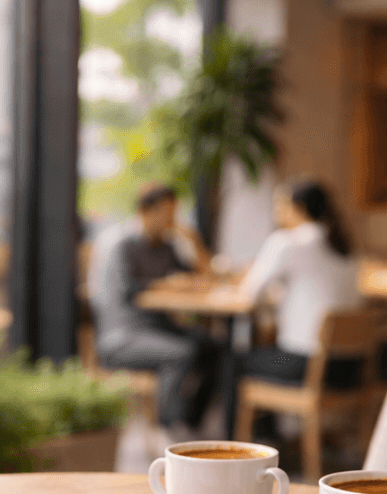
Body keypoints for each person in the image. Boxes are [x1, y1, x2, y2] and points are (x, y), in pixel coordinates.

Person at [92, 184, 223, 433]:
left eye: (174, 213)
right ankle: (169, 427)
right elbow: (128, 291)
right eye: (166, 213)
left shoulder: (166, 245)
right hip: (123, 335)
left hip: (160, 327)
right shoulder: (121, 244)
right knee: (181, 352)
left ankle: (191, 421)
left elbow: (203, 275)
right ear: (144, 211)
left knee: (213, 347)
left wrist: (192, 239)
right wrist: (168, 284)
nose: (171, 220)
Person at [236, 179, 362, 387]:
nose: (276, 211)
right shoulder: (347, 247)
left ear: (298, 209)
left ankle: (188, 420)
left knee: (235, 361)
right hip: (351, 366)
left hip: (307, 362)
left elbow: (250, 292)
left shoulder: (288, 241)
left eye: (280, 204)